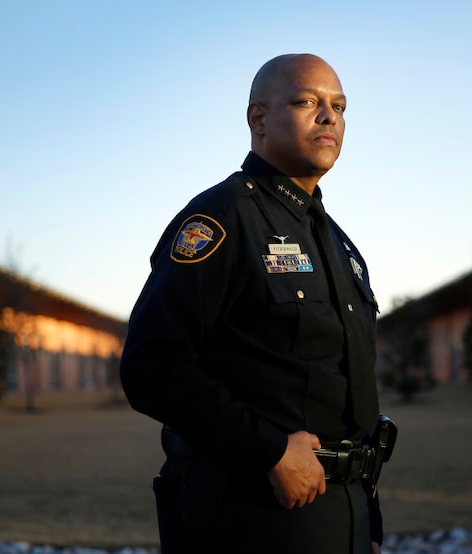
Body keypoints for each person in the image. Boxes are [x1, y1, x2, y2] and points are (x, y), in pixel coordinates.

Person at [120, 53, 387, 554]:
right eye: (307, 101)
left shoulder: (338, 244)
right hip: (252, 516)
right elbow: (150, 365)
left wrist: (366, 520)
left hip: (339, 514)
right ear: (258, 118)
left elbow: (346, 393)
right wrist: (268, 452)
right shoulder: (223, 219)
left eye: (340, 106)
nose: (329, 117)